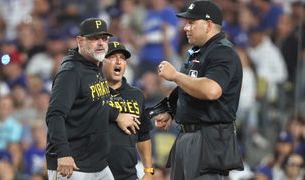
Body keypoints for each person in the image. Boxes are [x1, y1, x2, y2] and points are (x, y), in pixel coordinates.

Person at [154, 0, 244, 179]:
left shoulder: (223, 52)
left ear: (209, 25)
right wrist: (171, 110)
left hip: (208, 140)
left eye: (191, 23)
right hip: (187, 135)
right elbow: (189, 85)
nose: (185, 27)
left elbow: (212, 90)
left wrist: (175, 76)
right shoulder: (198, 51)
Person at [45, 18, 140, 180]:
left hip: (98, 165)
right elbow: (55, 115)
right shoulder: (71, 72)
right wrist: (63, 153)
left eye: (104, 39)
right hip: (73, 164)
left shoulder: (95, 67)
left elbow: (94, 102)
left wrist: (116, 115)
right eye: (95, 39)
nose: (101, 43)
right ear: (80, 41)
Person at [102, 41, 154, 180]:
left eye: (123, 58)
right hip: (95, 172)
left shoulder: (136, 95)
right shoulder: (93, 92)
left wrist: (148, 170)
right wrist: (117, 116)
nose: (118, 61)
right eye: (112, 57)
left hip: (127, 174)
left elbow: (143, 136)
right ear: (101, 62)